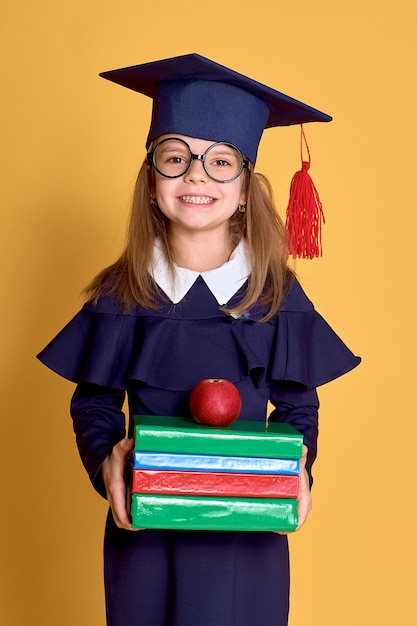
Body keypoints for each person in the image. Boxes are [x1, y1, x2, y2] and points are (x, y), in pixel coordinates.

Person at [37, 54, 360, 626]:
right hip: (148, 526)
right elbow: (94, 401)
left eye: (220, 161)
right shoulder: (122, 294)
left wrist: (298, 468)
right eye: (176, 157)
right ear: (152, 179)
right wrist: (106, 461)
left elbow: (297, 404)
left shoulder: (276, 296)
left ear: (244, 188)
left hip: (247, 532)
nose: (196, 175)